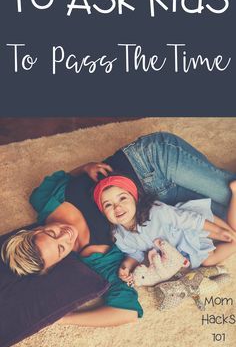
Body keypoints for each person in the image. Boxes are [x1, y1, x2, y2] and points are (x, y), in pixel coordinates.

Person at [1, 132, 236, 326]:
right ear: (58, 263)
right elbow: (126, 311)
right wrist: (64, 318)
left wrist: (85, 168)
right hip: (171, 203)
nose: (65, 234)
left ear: (36, 230)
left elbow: (63, 176)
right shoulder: (96, 257)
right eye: (62, 248)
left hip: (150, 160)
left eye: (51, 232)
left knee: (229, 189)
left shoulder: (44, 199)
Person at [93, 175, 236, 285]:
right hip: (183, 246)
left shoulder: (156, 212)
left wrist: (218, 231)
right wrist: (126, 266)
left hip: (192, 225)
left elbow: (191, 220)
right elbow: (134, 254)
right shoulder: (119, 235)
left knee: (230, 231)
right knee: (209, 260)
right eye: (108, 205)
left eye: (122, 198)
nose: (117, 208)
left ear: (135, 198)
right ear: (103, 212)